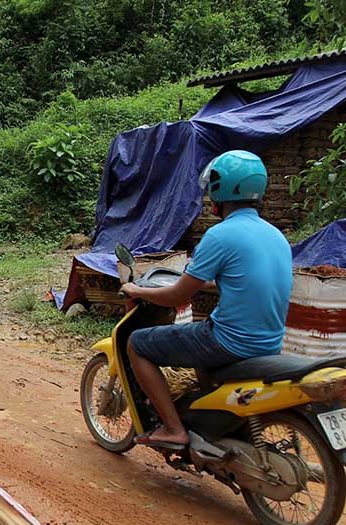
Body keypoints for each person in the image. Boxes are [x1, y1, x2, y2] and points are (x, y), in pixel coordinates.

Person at [119, 150, 292, 446]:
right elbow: (245, 278)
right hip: (270, 343)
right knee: (201, 335)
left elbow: (177, 296)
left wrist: (137, 290)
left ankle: (174, 429)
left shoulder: (220, 235)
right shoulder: (276, 236)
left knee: (137, 345)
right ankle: (211, 425)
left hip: (230, 343)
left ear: (221, 190)